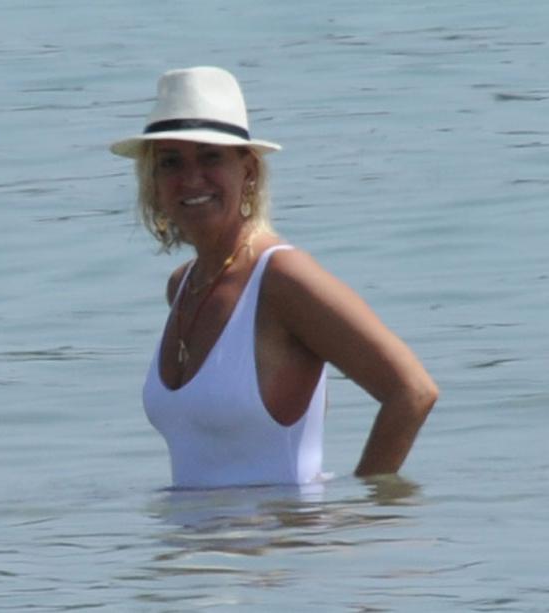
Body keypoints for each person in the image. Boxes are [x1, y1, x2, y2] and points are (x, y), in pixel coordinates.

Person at [110, 66, 438, 489]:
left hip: (277, 535)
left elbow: (412, 392)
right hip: (182, 534)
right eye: (171, 162)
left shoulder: (282, 278)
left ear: (247, 169)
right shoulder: (183, 286)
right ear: (153, 182)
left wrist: (366, 507)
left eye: (210, 157)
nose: (191, 179)